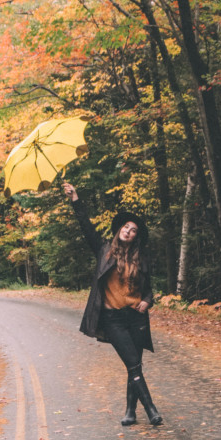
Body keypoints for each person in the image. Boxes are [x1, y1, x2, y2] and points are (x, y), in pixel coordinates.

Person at [63, 181, 162, 426]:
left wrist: (147, 301)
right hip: (113, 319)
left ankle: (130, 411)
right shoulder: (104, 250)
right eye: (126, 227)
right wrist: (75, 199)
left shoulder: (141, 258)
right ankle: (151, 410)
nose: (128, 231)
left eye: (133, 230)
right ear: (119, 229)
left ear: (136, 236)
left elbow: (149, 289)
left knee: (134, 365)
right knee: (132, 363)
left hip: (136, 317)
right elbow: (86, 227)